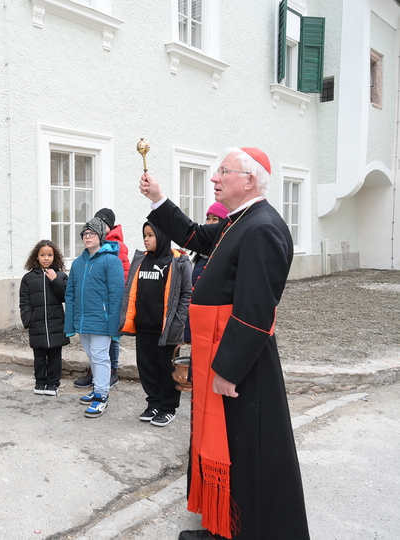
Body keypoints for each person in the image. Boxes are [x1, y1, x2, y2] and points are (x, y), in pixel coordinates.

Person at [138, 148, 309, 540]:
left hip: (240, 364)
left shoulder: (261, 227)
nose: (214, 179)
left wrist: (229, 370)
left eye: (222, 172)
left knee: (242, 451)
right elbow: (195, 235)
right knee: (227, 447)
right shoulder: (240, 221)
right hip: (220, 351)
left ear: (249, 180)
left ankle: (237, 531)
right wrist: (157, 199)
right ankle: (222, 527)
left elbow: (256, 308)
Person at [118, 222, 191, 427]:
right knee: (147, 368)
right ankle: (154, 403)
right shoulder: (141, 259)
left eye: (151, 235)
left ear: (162, 235)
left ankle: (168, 408)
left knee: (166, 369)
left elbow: (186, 294)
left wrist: (178, 321)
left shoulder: (179, 262)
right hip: (143, 326)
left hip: (166, 328)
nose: (146, 239)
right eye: (144, 235)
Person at [64, 218, 125, 418]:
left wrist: (114, 325)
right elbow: (70, 293)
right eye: (85, 234)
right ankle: (98, 388)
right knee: (93, 357)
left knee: (100, 357)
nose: (87, 237)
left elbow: (117, 295)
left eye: (92, 233)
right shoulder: (78, 263)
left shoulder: (111, 260)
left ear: (101, 236)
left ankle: (101, 397)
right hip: (83, 320)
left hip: (102, 319)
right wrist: (71, 321)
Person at [74, 208, 130, 389]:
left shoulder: (115, 246)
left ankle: (111, 373)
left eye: (103, 222)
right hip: (94, 304)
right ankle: (97, 374)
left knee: (111, 339)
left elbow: (120, 274)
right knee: (96, 350)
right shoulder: (90, 251)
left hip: (109, 301)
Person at [19, 240, 69, 397]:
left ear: (55, 257)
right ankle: (40, 381)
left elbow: (65, 296)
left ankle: (53, 383)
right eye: (42, 255)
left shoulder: (61, 276)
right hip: (37, 324)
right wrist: (28, 320)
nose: (46, 258)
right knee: (39, 356)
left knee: (55, 356)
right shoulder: (28, 278)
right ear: (36, 257)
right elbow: (24, 301)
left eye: (49, 255)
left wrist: (55, 280)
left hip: (56, 323)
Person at [183, 202, 228, 343]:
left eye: (215, 219)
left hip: (216, 328)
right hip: (198, 323)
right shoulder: (200, 258)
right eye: (208, 218)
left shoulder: (225, 257)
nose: (209, 223)